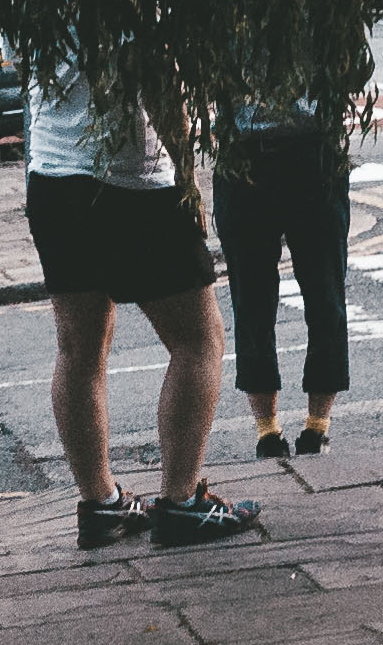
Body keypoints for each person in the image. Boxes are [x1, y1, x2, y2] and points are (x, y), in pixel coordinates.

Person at [22, 45, 262, 549]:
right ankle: (181, 503)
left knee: (79, 347)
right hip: (130, 177)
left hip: (52, 174)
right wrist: (186, 176)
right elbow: (151, 71)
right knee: (200, 339)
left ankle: (101, 504)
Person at [214, 84, 353, 460]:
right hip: (244, 159)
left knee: (325, 295)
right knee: (252, 300)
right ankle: (267, 432)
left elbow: (354, 66)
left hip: (313, 152)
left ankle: (316, 427)